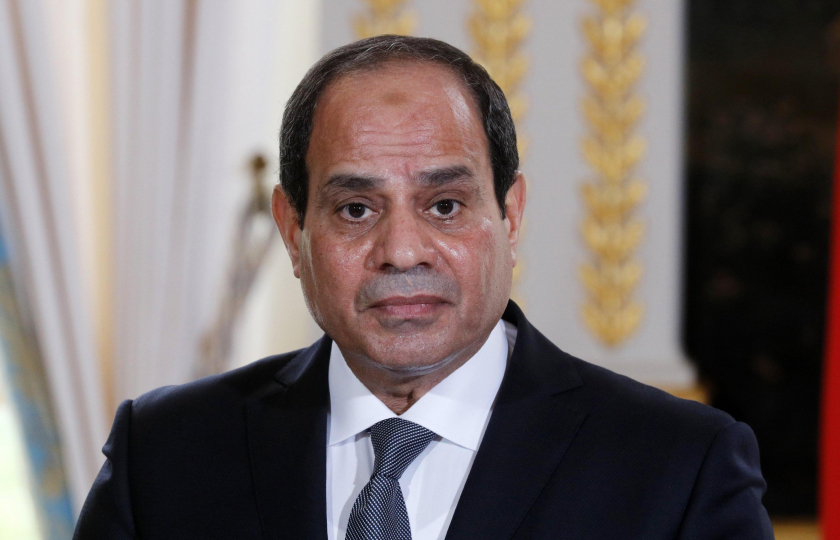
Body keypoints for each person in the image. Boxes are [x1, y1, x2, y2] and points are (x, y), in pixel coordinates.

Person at [74, 35, 773, 540]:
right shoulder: (164, 453)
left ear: (510, 216)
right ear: (293, 231)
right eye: (356, 209)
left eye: (444, 205)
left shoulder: (681, 468)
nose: (402, 250)